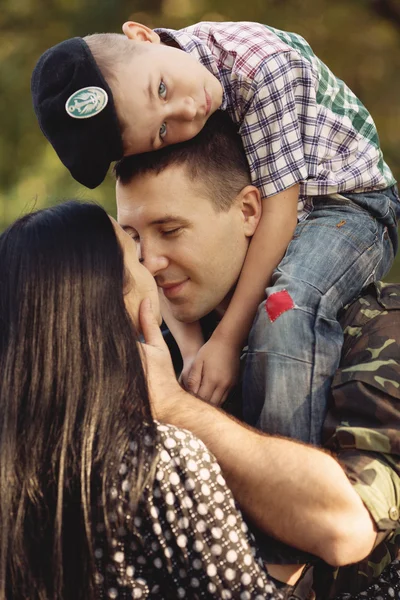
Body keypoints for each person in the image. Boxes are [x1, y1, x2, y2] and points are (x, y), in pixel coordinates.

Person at [31, 22, 400, 445]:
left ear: (143, 35)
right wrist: (190, 352)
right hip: (285, 200)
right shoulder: (161, 97)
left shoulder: (260, 67)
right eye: (163, 132)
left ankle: (286, 469)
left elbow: (278, 213)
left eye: (163, 90)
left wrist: (225, 341)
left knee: (287, 307)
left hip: (347, 202)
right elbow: (150, 263)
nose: (187, 112)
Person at [114, 113, 400, 598]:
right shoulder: (153, 347)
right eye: (134, 237)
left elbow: (346, 526)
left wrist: (178, 409)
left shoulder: (377, 329)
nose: (151, 261)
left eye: (170, 229)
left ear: (249, 211)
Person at [0, 200, 289, 600]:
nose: (151, 266)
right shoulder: (164, 460)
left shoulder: (18, 459)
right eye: (134, 252)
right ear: (111, 296)